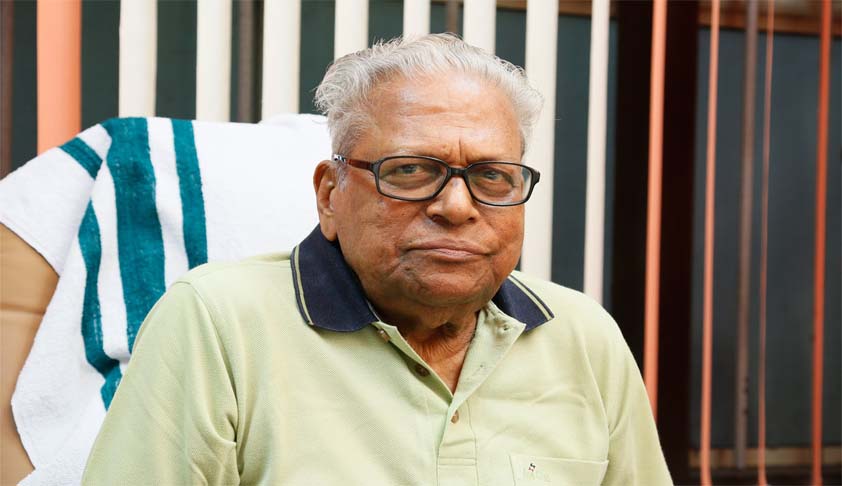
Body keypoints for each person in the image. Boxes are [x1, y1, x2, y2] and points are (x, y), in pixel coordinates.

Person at [83, 34, 671, 485]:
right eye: (410, 170)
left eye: (492, 176)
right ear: (330, 195)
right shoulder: (218, 322)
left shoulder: (581, 335)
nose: (456, 206)